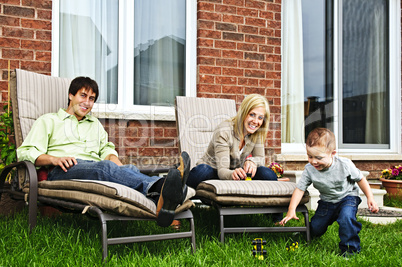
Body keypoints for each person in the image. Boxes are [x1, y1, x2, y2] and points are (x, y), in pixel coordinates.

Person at [17, 76, 190, 227]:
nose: (87, 102)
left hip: (94, 168)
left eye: (91, 98)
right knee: (104, 168)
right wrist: (54, 159)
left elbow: (106, 150)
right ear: (71, 95)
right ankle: (163, 187)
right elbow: (26, 152)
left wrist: (119, 167)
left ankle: (161, 204)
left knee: (128, 169)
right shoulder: (49, 120)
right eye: (83, 96)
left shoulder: (95, 125)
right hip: (62, 170)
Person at [279, 128, 379, 257]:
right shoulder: (309, 170)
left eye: (319, 157)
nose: (314, 161)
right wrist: (291, 209)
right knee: (316, 226)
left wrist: (370, 197)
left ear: (333, 153)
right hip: (327, 202)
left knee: (346, 219)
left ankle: (350, 251)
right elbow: (300, 189)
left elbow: (361, 179)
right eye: (310, 156)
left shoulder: (345, 164)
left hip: (347, 197)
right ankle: (306, 235)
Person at [186, 94, 278, 188]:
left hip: (238, 172)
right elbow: (222, 171)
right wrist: (234, 174)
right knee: (202, 170)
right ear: (243, 112)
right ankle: (181, 187)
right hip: (214, 171)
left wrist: (252, 161)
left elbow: (260, 158)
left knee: (267, 174)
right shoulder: (224, 131)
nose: (255, 121)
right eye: (252, 115)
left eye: (260, 118)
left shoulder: (256, 131)